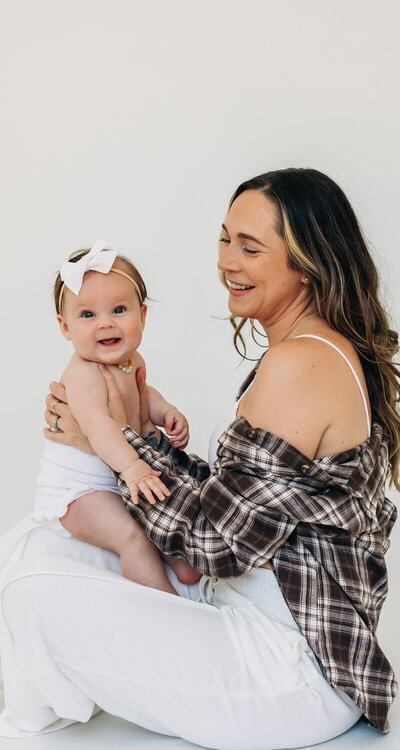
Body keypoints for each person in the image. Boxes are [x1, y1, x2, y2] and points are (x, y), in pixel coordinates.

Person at [0, 168, 398, 749]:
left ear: (307, 264)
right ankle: (38, 711)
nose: (226, 262)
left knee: (31, 589)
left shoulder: (300, 364)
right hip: (245, 605)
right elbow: (237, 506)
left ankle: (26, 728)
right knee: (48, 545)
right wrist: (125, 435)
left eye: (249, 247)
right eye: (224, 239)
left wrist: (108, 441)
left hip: (288, 670)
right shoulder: (309, 350)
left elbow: (217, 541)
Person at [35, 238, 199, 594]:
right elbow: (97, 424)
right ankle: (169, 606)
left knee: (165, 514)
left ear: (142, 315)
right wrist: (131, 468)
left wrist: (165, 411)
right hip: (81, 491)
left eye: (119, 310)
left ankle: (183, 564)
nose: (105, 324)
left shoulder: (132, 361)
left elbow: (142, 394)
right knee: (131, 535)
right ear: (66, 328)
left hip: (122, 477)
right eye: (88, 315)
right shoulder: (83, 373)